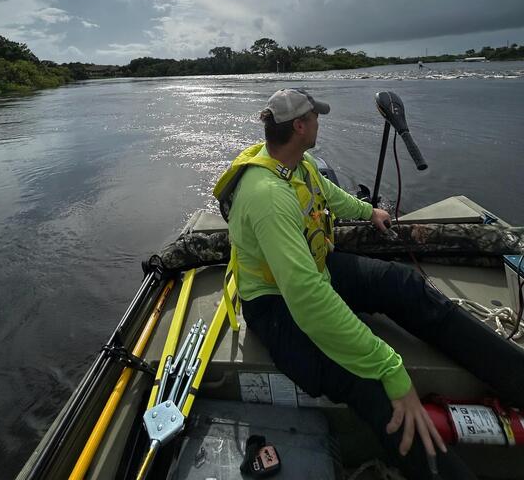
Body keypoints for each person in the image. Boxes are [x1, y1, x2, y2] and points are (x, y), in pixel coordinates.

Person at [214, 88, 524, 480]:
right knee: (368, 384)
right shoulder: (267, 197)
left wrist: (369, 211)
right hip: (275, 306)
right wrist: (391, 369)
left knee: (403, 285)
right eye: (315, 116)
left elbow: (327, 195)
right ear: (300, 125)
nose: (319, 121)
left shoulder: (297, 164)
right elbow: (308, 300)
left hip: (316, 267)